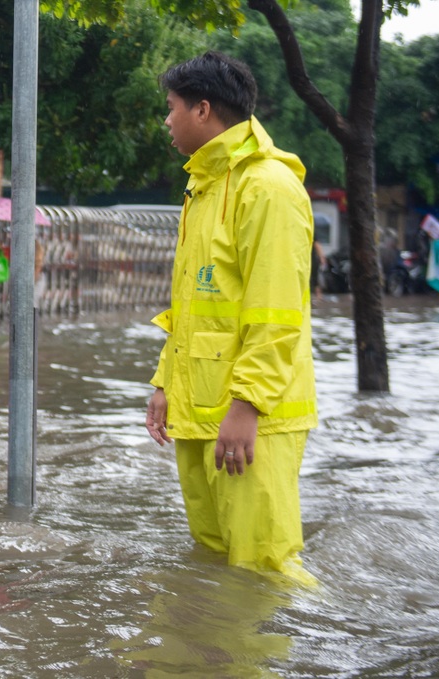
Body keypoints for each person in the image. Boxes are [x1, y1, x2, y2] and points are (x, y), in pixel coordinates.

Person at [144, 52, 318, 585]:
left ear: (202, 109)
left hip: (249, 416)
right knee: (217, 565)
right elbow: (195, 307)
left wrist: (248, 405)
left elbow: (276, 311)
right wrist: (163, 383)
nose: (166, 121)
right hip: (200, 412)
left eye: (171, 109)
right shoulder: (204, 186)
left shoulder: (267, 187)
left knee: (265, 566)